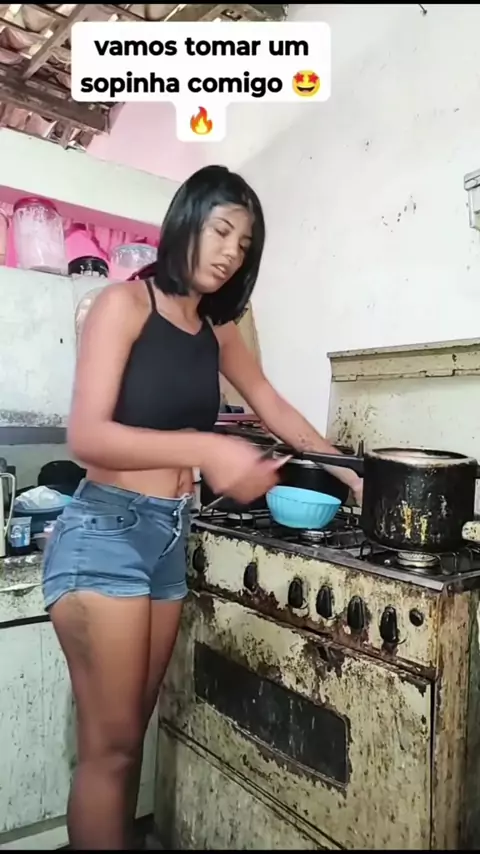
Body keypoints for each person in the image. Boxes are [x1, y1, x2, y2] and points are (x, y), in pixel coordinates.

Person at [42, 164, 363, 850]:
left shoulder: (217, 329)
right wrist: (208, 448)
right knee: (110, 751)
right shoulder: (121, 306)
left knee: (129, 743)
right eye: (221, 231)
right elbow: (87, 435)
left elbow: (270, 404)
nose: (229, 253)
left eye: (243, 245)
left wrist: (355, 475)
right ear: (186, 220)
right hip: (104, 531)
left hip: (166, 538)